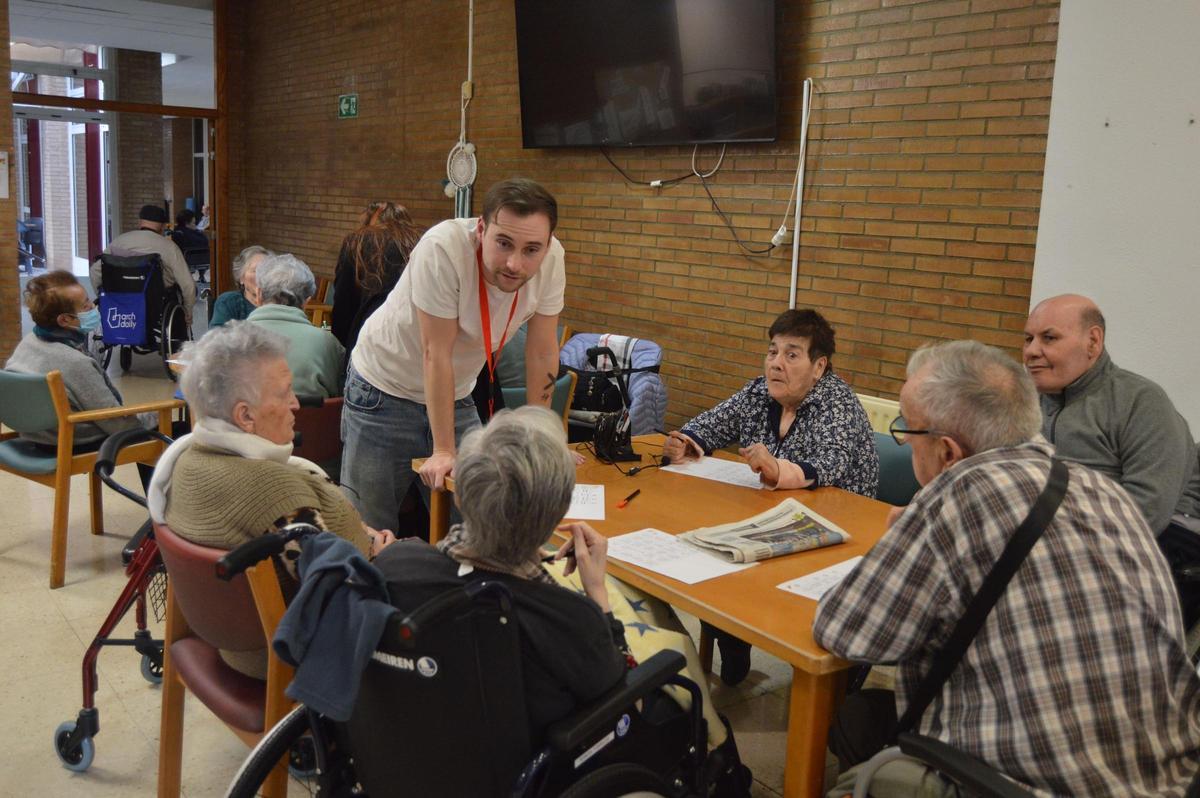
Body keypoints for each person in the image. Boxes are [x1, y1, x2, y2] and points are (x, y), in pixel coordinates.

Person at [814, 339, 1200, 798]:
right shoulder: (1102, 489)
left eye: (908, 431)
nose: (903, 440)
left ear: (948, 452)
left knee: (854, 762)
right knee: (867, 715)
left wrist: (907, 536)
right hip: (1168, 777)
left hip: (1023, 784)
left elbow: (846, 632)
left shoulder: (957, 494)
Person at [371, 406, 751, 795]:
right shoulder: (568, 617)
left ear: (465, 495)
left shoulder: (397, 565)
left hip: (423, 751)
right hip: (532, 768)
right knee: (678, 678)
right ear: (554, 518)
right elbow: (621, 701)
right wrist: (598, 595)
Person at [147, 322, 393, 679]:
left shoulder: (184, 461)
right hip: (287, 659)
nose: (296, 403)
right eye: (285, 393)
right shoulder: (272, 489)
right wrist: (379, 554)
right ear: (245, 416)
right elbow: (341, 595)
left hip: (233, 643)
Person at [662, 307, 879, 685]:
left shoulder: (838, 402)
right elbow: (712, 423)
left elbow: (828, 465)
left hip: (836, 536)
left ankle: (837, 684)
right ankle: (732, 634)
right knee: (712, 552)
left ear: (819, 366)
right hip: (773, 522)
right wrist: (684, 441)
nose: (776, 364)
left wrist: (779, 470)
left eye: (791, 354)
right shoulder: (759, 392)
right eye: (772, 351)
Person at [341, 178, 565, 532]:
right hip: (383, 388)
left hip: (456, 391)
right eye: (503, 243)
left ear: (548, 244)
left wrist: (542, 436)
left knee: (481, 523)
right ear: (481, 229)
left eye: (531, 250)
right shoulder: (443, 248)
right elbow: (436, 351)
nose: (514, 264)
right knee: (369, 529)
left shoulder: (553, 260)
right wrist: (444, 449)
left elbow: (541, 350)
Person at [1023, 294, 1200, 622]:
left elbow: (1149, 508)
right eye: (1028, 338)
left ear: (1092, 342)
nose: (1032, 350)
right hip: (1066, 535)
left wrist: (1060, 552)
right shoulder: (1028, 403)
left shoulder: (1140, 401)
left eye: (1049, 338)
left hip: (1166, 536)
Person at [5, 271, 157, 448]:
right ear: (64, 320)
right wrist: (155, 417)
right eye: (85, 306)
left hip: (34, 436)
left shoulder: (29, 342)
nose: (93, 307)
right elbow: (118, 424)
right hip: (71, 440)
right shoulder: (75, 363)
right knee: (171, 429)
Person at [246, 253, 345, 399]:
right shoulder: (328, 343)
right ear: (307, 302)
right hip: (312, 421)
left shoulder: (227, 341)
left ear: (259, 294)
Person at [331, 201, 424, 352]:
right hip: (413, 340)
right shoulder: (421, 240)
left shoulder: (358, 241)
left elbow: (344, 301)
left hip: (368, 340)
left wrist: (341, 346)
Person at [90, 204, 196, 325]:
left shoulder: (119, 241)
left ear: (140, 222)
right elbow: (188, 285)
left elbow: (95, 271)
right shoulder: (169, 247)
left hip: (120, 298)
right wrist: (188, 311)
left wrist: (104, 296)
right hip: (155, 302)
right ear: (162, 227)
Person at [210, 245, 270, 328]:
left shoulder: (282, 302)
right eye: (255, 270)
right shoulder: (228, 302)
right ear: (241, 277)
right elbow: (217, 337)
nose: (261, 275)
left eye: (266, 270)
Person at [170, 208, 210, 281]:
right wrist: (197, 232)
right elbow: (204, 242)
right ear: (187, 223)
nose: (195, 225)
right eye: (193, 223)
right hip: (195, 257)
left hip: (182, 257)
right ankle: (201, 275)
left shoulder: (177, 231)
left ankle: (201, 276)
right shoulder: (189, 234)